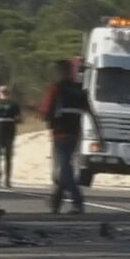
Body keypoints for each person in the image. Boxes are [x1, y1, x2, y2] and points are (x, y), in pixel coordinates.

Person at [39, 60, 103, 214]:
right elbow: (91, 113)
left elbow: (45, 112)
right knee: (64, 169)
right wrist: (100, 135)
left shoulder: (56, 88)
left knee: (63, 170)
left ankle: (77, 202)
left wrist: (44, 116)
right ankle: (56, 203)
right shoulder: (80, 90)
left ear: (60, 72)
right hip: (75, 135)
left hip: (60, 134)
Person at [0, 85, 22, 188]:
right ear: (8, 93)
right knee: (8, 156)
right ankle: (7, 180)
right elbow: (19, 119)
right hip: (10, 131)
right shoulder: (14, 105)